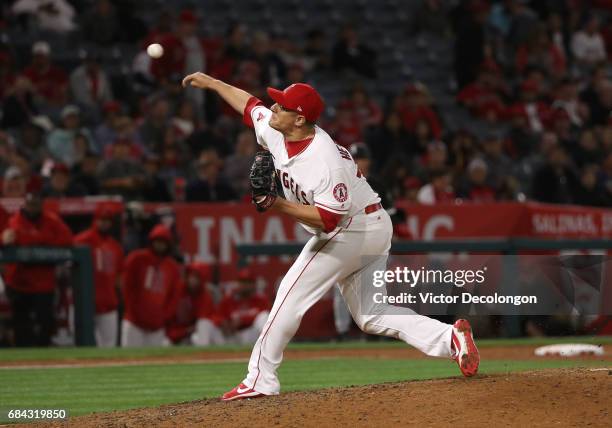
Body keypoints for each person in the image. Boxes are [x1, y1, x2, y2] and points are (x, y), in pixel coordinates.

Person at [182, 72, 480, 401]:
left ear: (299, 118)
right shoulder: (278, 127)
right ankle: (450, 338)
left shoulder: (322, 159)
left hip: (350, 228)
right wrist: (212, 83)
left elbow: (328, 219)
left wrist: (277, 204)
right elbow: (249, 105)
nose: (273, 108)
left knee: (288, 296)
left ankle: (261, 379)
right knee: (372, 313)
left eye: (281, 105)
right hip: (371, 222)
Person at [2, 193, 73, 346]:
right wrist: (5, 240)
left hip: (43, 282)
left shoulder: (51, 220)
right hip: (19, 281)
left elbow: (67, 239)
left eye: (36, 203)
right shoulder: (14, 221)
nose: (32, 207)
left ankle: (43, 353)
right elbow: (6, 238)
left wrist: (38, 244)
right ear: (24, 204)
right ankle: (24, 357)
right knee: (21, 323)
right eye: (30, 203)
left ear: (41, 205)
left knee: (46, 321)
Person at [120, 224, 181, 347]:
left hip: (157, 326)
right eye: (157, 241)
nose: (160, 245)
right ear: (151, 241)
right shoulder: (137, 259)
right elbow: (127, 287)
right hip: (134, 322)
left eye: (163, 242)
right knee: (129, 359)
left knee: (154, 362)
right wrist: (132, 311)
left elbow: (174, 296)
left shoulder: (172, 267)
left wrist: (164, 317)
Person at [74, 205, 124, 347]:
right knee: (82, 347)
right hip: (84, 303)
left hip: (108, 303)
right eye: (101, 219)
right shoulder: (82, 240)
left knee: (109, 347)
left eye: (107, 220)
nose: (104, 223)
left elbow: (119, 278)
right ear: (95, 220)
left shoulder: (116, 246)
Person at [214, 267, 270, 345]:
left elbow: (266, 319)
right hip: (232, 336)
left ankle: (267, 351)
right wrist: (224, 322)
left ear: (253, 284)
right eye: (242, 282)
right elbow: (216, 316)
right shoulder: (228, 300)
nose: (245, 285)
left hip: (251, 335)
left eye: (248, 282)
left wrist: (243, 320)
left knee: (264, 316)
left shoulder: (261, 300)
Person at [166, 262, 218, 345]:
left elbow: (203, 322)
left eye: (197, 276)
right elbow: (167, 316)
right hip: (176, 333)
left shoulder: (205, 296)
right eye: (191, 275)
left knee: (203, 324)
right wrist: (180, 333)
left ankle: (204, 353)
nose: (192, 279)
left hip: (194, 334)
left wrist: (188, 330)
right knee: (165, 343)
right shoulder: (177, 289)